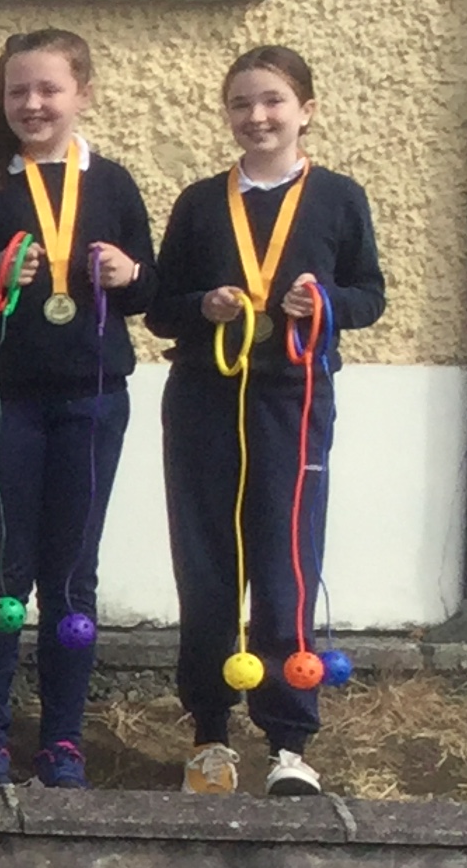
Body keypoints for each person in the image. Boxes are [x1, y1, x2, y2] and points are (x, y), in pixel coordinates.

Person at [0, 30, 154, 789]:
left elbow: (152, 293)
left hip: (92, 401)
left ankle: (64, 740)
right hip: (2, 402)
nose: (33, 103)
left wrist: (130, 274)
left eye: (49, 89)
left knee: (73, 577)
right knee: (1, 572)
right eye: (18, 90)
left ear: (84, 93)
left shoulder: (112, 185)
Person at [149, 46, 386, 799]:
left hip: (293, 401)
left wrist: (327, 302)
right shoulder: (199, 203)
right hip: (205, 401)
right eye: (242, 104)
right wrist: (204, 305)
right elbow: (160, 308)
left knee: (286, 567)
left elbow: (370, 294)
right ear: (227, 114)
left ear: (305, 110)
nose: (257, 117)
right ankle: (210, 734)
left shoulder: (338, 198)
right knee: (207, 568)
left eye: (273, 101)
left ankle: (289, 741)